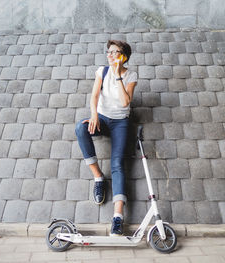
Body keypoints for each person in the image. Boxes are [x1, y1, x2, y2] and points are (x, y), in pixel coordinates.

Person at [75, 40, 137, 236]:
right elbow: (94, 97)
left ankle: (117, 217)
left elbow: (125, 101)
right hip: (101, 118)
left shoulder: (131, 75)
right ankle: (99, 177)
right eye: (108, 52)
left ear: (123, 57)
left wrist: (118, 75)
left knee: (117, 164)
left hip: (120, 123)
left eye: (115, 53)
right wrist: (94, 115)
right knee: (80, 129)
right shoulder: (102, 71)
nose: (109, 56)